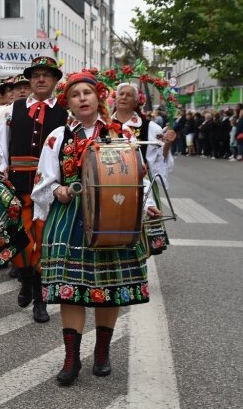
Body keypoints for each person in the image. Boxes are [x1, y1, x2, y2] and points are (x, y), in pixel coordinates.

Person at [31, 71, 160, 386]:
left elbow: (138, 176)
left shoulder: (122, 135)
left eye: (88, 92)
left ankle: (102, 352)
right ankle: (71, 358)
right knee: (70, 291)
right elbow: (43, 181)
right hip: (71, 215)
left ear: (99, 97)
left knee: (111, 289)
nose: (83, 98)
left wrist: (147, 206)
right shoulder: (57, 137)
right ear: (69, 103)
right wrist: (58, 190)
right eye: (76, 95)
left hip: (114, 214)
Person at [0, 56, 67, 323]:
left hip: (50, 187)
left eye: (46, 75)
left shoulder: (64, 113)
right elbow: (1, 144)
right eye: (36, 75)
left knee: (44, 245)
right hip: (19, 186)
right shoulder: (14, 109)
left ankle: (40, 298)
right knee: (22, 244)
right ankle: (25, 279)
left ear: (56, 80)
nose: (40, 79)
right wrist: (0, 176)